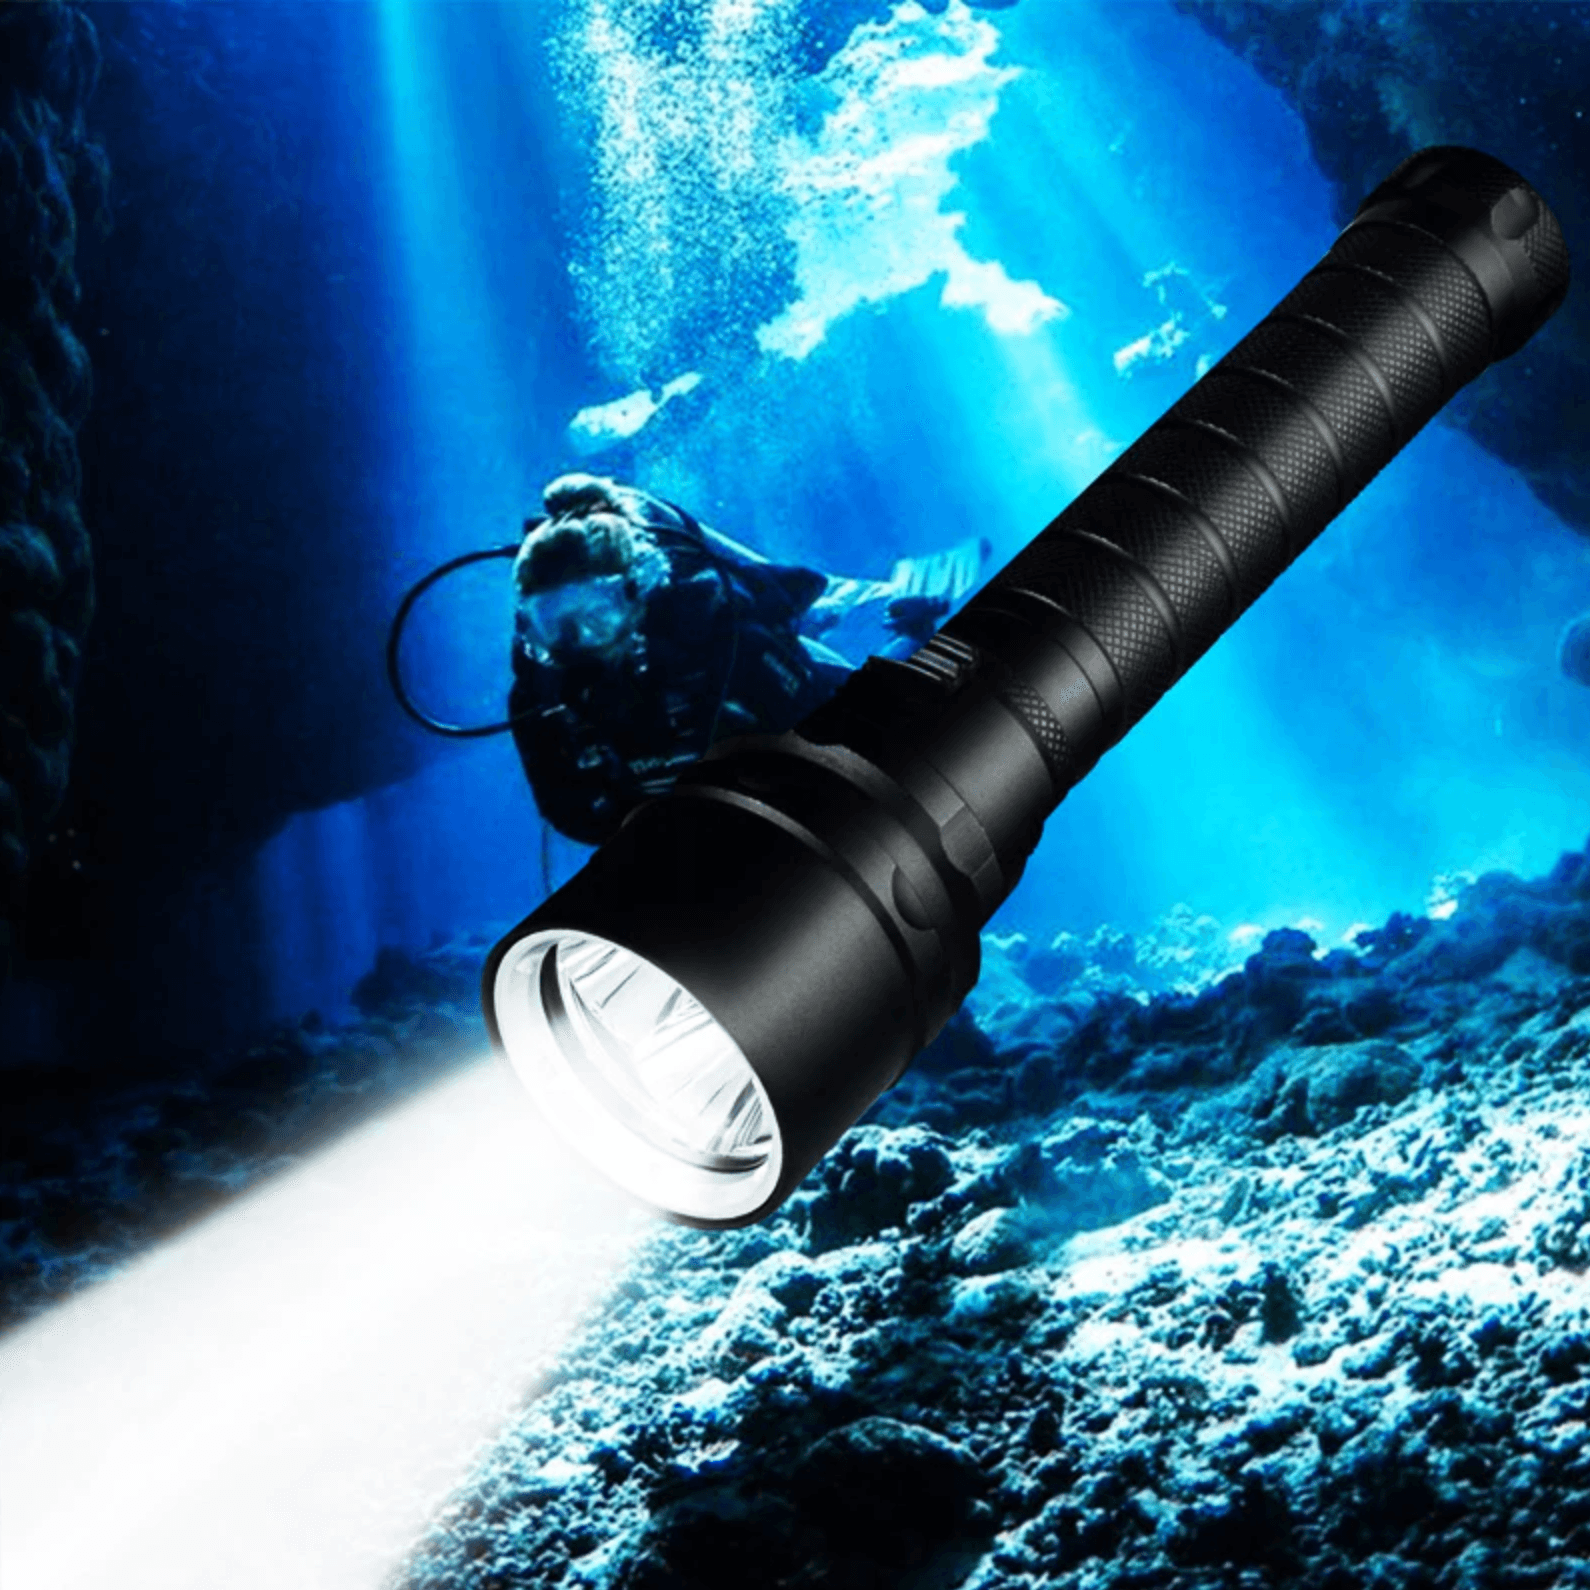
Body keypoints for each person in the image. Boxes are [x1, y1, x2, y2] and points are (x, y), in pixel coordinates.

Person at [509, 473, 988, 845]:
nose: (578, 643)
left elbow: (840, 748)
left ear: (637, 599)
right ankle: (816, 612)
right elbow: (569, 811)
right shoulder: (543, 695)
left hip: (770, 692)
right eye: (552, 625)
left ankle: (908, 626)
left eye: (596, 617)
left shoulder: (722, 642)